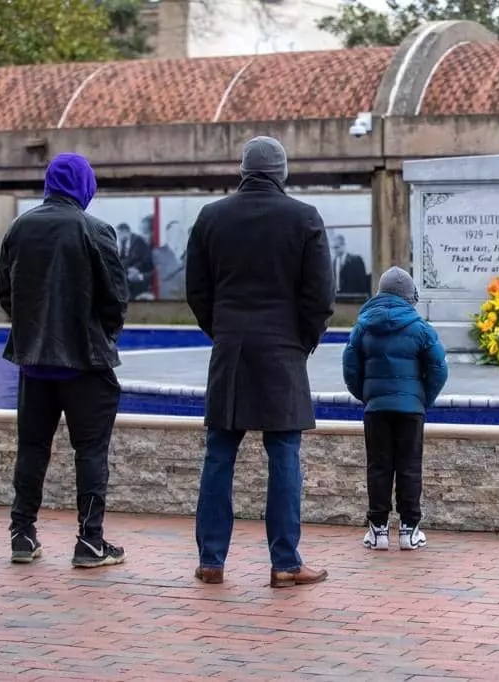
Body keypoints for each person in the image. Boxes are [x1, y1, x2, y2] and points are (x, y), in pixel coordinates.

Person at [185, 136, 334, 587]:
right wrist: (301, 342)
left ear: (243, 170)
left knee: (219, 455)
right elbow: (320, 295)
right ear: (282, 172)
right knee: (284, 455)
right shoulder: (304, 218)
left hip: (230, 348)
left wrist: (224, 332)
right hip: (282, 349)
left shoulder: (211, 217)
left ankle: (211, 560)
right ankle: (285, 563)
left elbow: (197, 291)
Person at [0, 152, 130, 568]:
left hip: (34, 363)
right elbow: (116, 299)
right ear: (85, 186)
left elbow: (8, 293)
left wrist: (32, 333)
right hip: (85, 364)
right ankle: (90, 541)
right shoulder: (95, 229)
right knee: (90, 450)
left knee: (31, 448)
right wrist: (103, 335)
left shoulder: (19, 228)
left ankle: (22, 535)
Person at [341, 266, 448, 551]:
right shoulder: (420, 328)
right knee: (409, 467)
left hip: (376, 409)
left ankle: (377, 531)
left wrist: (367, 396)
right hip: (410, 409)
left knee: (378, 467)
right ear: (408, 295)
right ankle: (409, 531)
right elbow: (439, 368)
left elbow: (350, 368)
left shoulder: (363, 325)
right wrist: (423, 399)